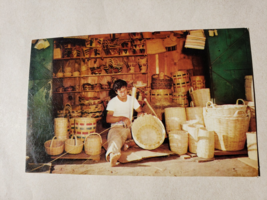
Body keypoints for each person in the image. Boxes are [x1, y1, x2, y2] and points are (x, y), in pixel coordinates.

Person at [105, 79, 144, 167]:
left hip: (131, 128)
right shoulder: (113, 102)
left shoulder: (132, 99)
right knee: (116, 138)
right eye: (120, 92)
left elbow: (140, 111)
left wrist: (140, 114)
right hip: (118, 127)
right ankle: (113, 155)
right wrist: (122, 118)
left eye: (125, 90)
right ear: (116, 92)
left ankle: (129, 143)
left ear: (127, 89)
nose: (123, 93)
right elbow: (108, 118)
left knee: (144, 135)